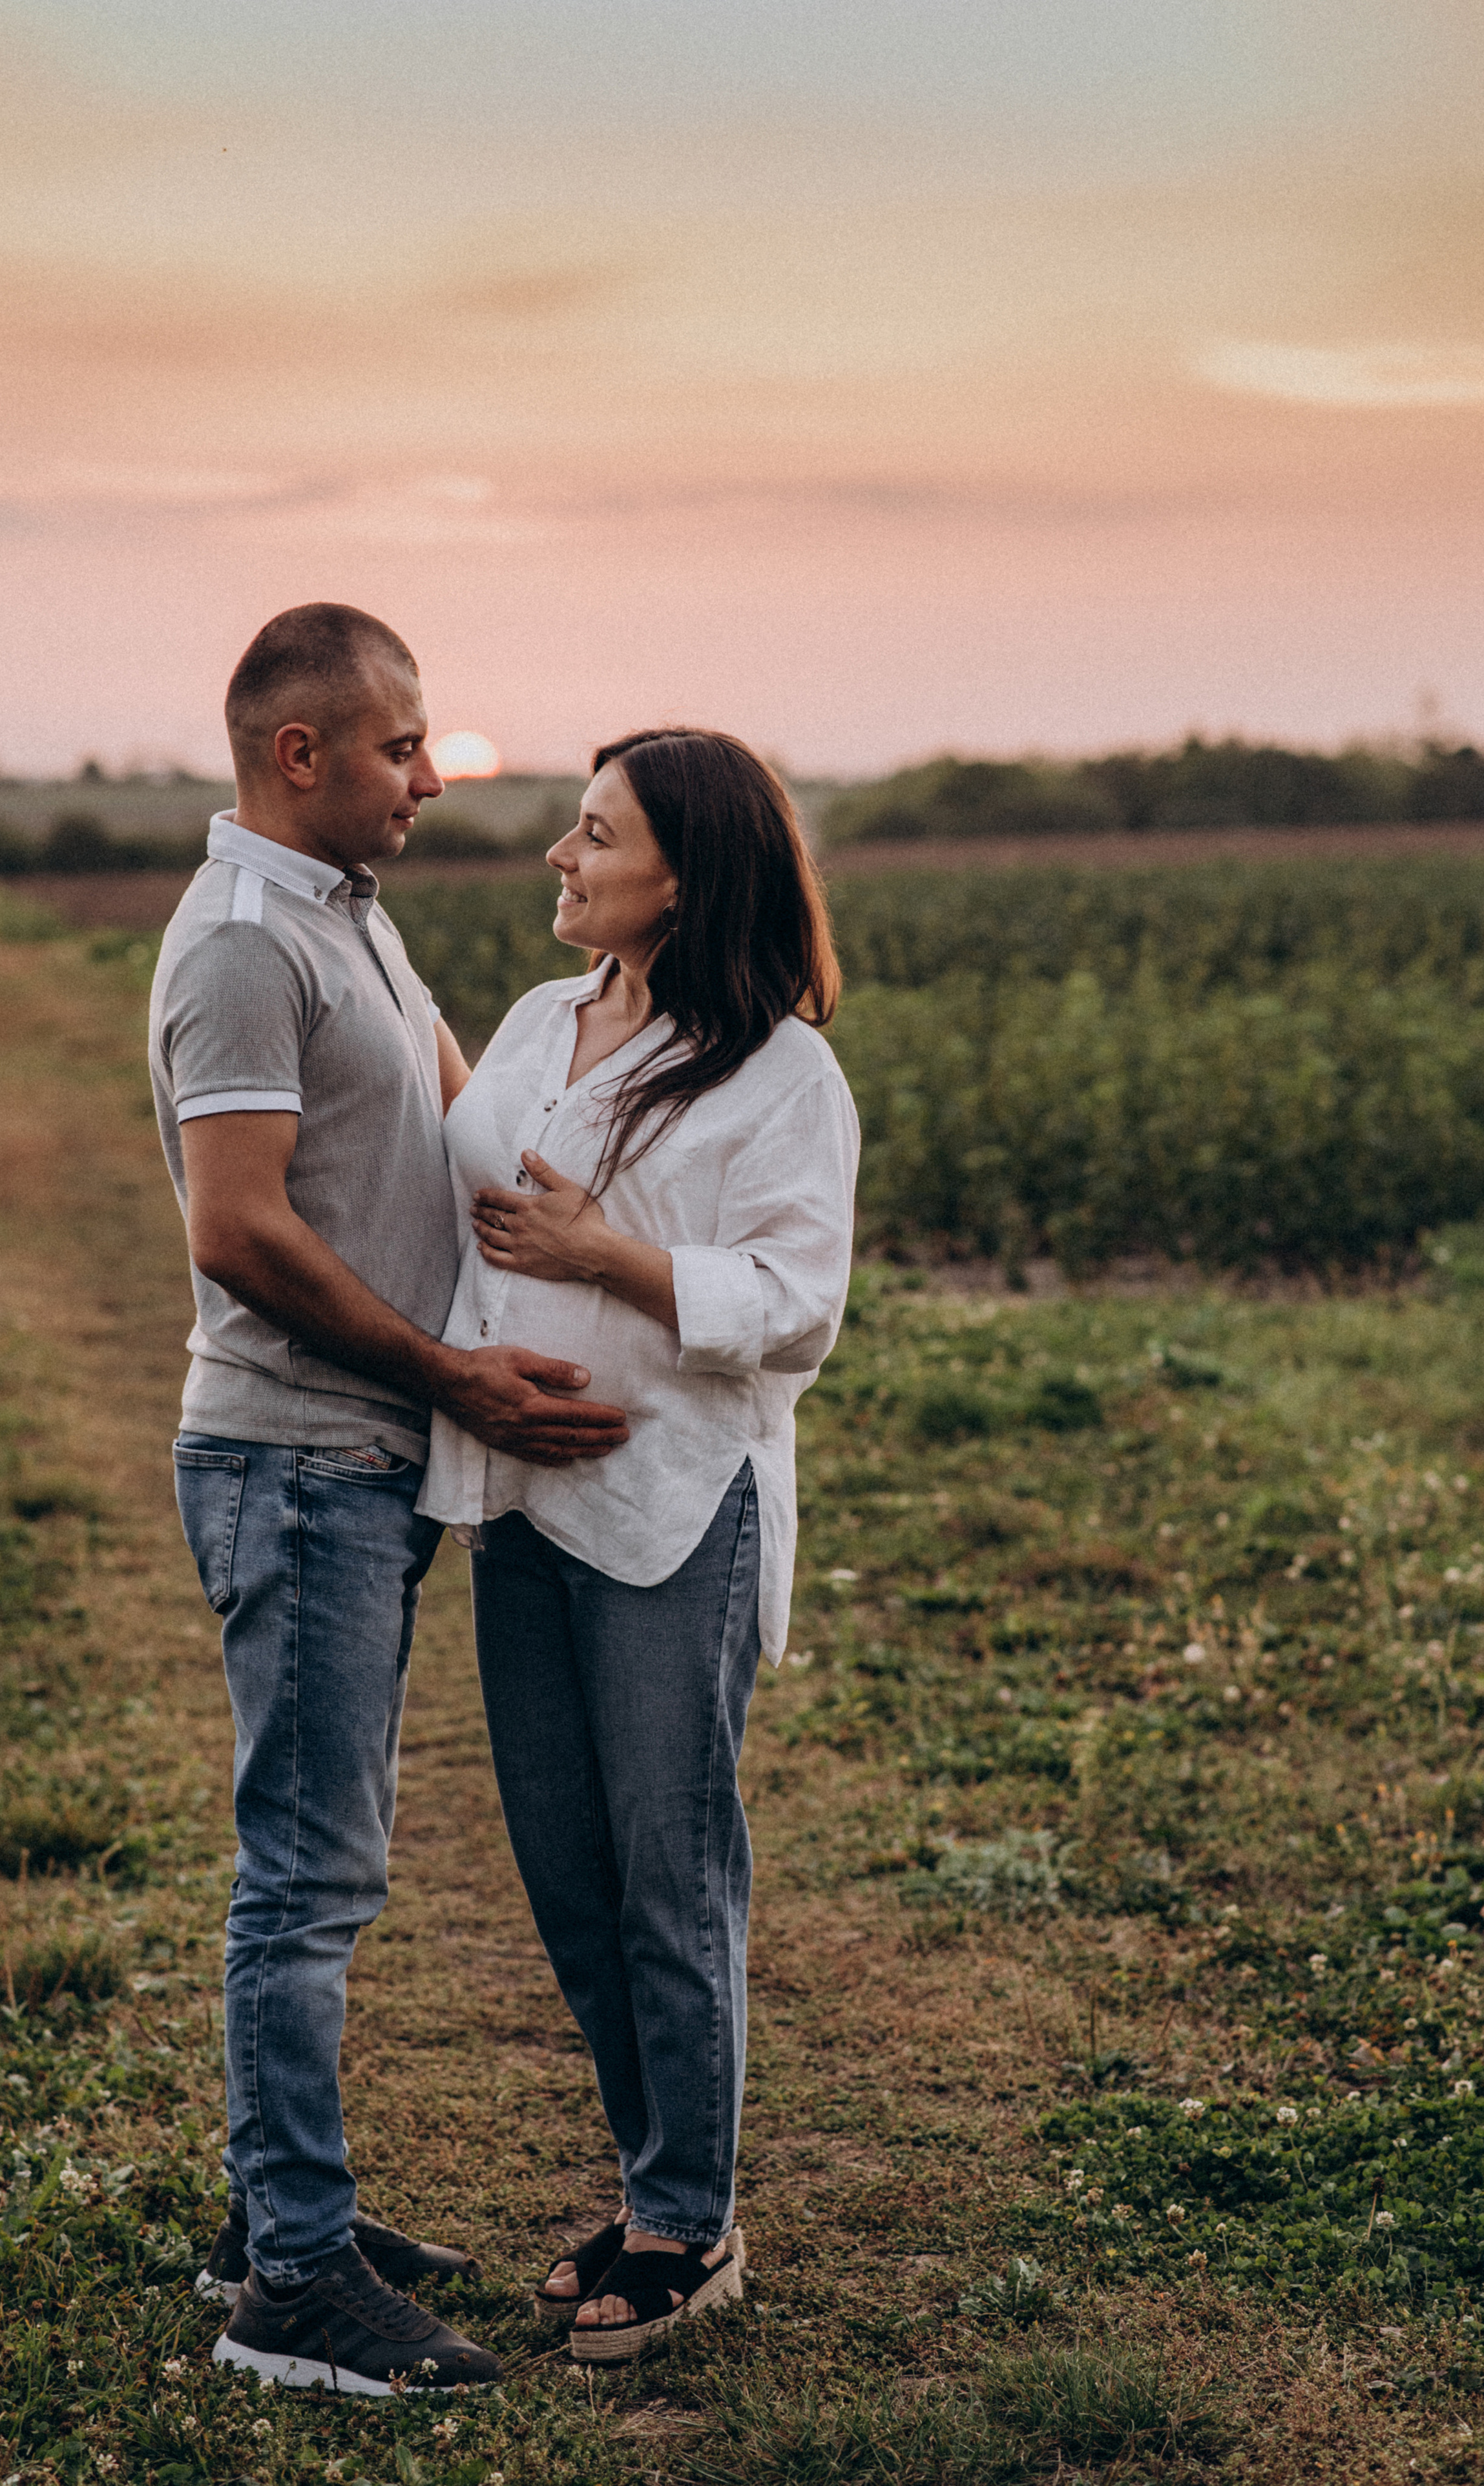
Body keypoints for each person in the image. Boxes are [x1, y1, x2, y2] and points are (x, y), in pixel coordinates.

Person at [147, 604, 629, 2397]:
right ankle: (292, 2291)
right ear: (301, 753)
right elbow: (237, 1228)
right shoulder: (238, 943)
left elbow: (470, 1120)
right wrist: (452, 1375)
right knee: (310, 1875)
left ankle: (282, 2216)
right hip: (297, 1457)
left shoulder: (347, 915)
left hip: (359, 1459)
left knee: (320, 1859)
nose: (431, 775)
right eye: (401, 745)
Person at [418, 727, 859, 2363]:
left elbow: (799, 1303)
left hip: (670, 1504)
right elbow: (462, 1186)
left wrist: (606, 1257)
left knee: (669, 1869)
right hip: (516, 1495)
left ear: (686, 875)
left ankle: (689, 2215)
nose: (560, 855)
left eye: (595, 835)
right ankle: (645, 2176)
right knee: (567, 1869)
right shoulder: (541, 1022)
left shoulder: (778, 1073)